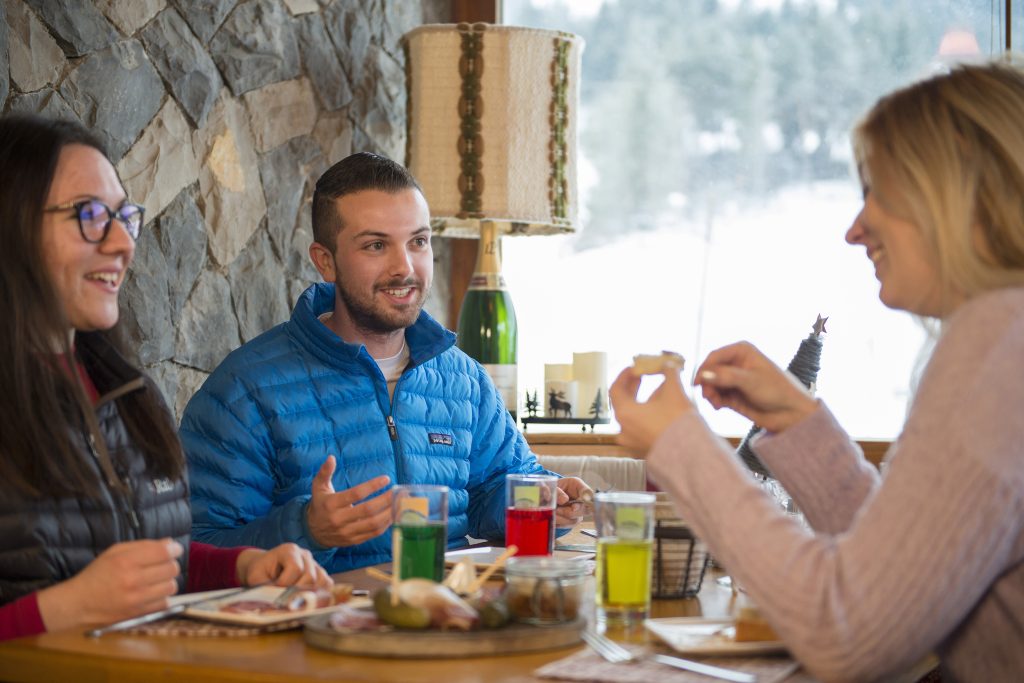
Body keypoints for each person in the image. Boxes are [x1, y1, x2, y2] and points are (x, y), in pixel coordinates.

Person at [610, 61, 1024, 682]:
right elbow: (908, 569)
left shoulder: (996, 342)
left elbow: (846, 631)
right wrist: (797, 424)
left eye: (876, 192)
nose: (855, 229)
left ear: (951, 191)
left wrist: (680, 445)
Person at [0, 115, 333, 642]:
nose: (122, 245)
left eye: (123, 217)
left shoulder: (128, 393)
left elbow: (153, 564)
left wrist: (242, 567)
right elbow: (87, 594)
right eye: (89, 215)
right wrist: (64, 609)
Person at [180, 152, 589, 573]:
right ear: (325, 261)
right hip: (320, 626)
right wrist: (308, 530)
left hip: (449, 618)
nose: (405, 267)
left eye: (418, 241)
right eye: (376, 245)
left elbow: (491, 489)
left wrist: (547, 498)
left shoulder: (462, 377)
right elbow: (196, 551)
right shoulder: (242, 390)